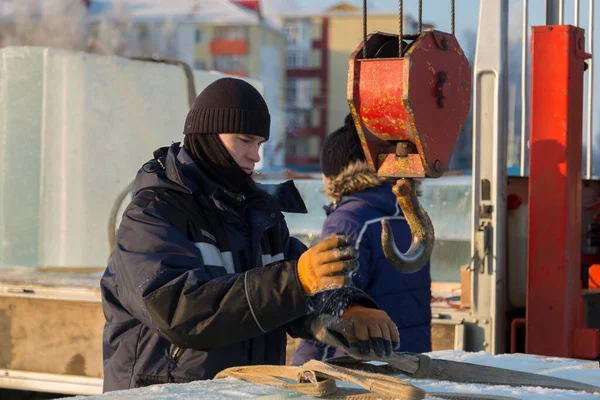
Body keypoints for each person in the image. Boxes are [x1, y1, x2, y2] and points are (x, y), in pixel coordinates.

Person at [101, 78, 399, 392]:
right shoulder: (153, 213)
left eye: (259, 144)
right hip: (166, 394)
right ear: (209, 135)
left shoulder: (259, 214)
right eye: (245, 140)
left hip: (243, 393)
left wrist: (346, 308)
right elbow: (178, 310)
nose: (255, 155)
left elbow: (292, 284)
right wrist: (297, 281)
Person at [291, 114, 432, 365]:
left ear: (334, 173)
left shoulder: (348, 220)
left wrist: (304, 371)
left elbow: (331, 304)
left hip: (358, 369)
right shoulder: (409, 215)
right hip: (409, 363)